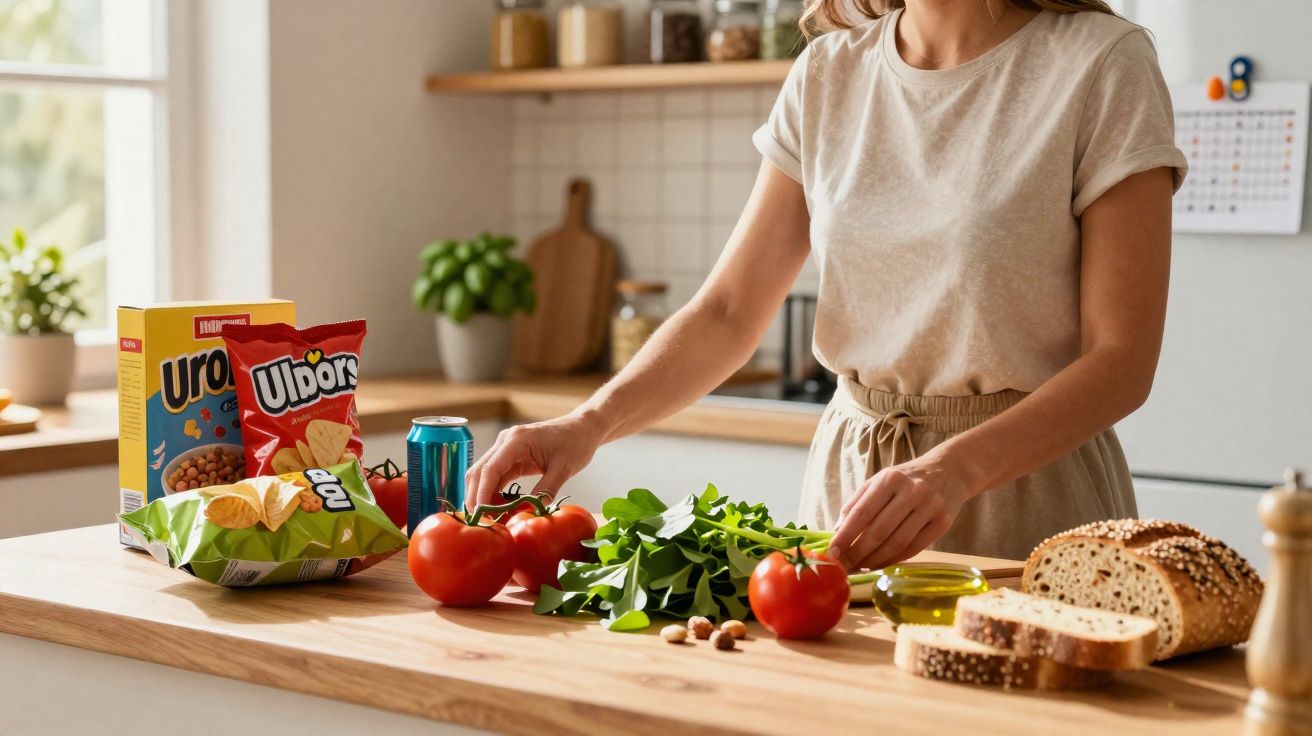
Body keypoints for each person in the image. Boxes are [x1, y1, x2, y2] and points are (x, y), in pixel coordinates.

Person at [467, 0, 1186, 566]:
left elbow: (1121, 361)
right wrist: (585, 425)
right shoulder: (826, 74)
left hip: (1028, 496)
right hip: (851, 493)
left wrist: (952, 473)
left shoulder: (1100, 64)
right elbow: (726, 311)